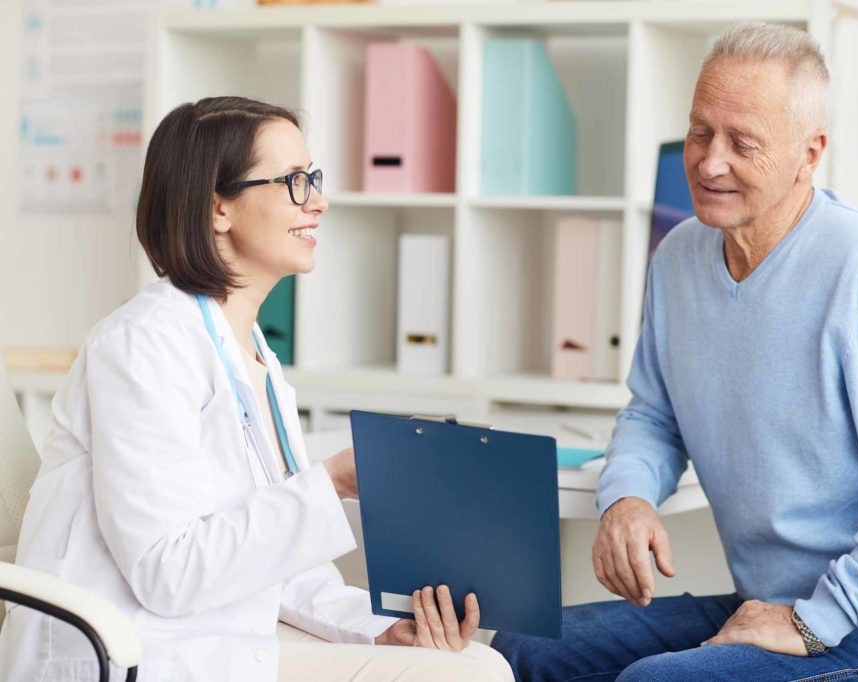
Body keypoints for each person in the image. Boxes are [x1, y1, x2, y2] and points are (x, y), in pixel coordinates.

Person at [492, 22, 858, 681]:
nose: (708, 161)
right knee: (516, 651)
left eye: (741, 142)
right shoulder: (678, 259)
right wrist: (629, 495)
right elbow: (654, 414)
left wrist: (817, 619)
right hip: (771, 604)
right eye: (700, 132)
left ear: (809, 155)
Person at [0, 96, 512, 682]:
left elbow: (276, 560)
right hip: (137, 647)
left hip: (222, 634)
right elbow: (167, 572)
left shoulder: (256, 358)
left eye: (313, 178)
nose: (318, 200)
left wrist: (379, 627)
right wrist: (334, 480)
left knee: (474, 660)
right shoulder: (140, 345)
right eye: (295, 182)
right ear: (218, 207)